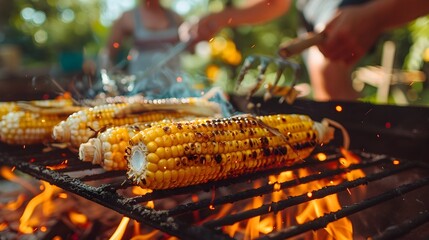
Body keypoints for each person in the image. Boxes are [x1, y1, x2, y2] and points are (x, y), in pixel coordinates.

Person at [188, 0, 429, 101]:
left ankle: (361, 159)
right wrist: (223, 17)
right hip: (312, 23)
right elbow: (275, 3)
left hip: (351, 10)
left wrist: (377, 15)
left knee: (326, 66)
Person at [106, 0, 191, 98]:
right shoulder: (128, 17)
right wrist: (110, 81)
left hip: (174, 89)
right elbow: (109, 53)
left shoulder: (176, 17)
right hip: (141, 91)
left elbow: (189, 49)